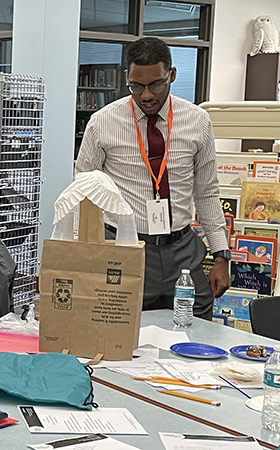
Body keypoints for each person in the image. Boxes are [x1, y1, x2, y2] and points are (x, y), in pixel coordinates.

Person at [76, 37, 230, 319]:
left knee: (198, 333)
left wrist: (221, 255)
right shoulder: (103, 122)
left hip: (182, 249)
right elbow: (83, 192)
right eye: (136, 86)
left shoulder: (198, 121)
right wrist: (83, 255)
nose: (146, 95)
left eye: (156, 84)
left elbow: (206, 192)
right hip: (124, 247)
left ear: (171, 75)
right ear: (127, 78)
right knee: (117, 335)